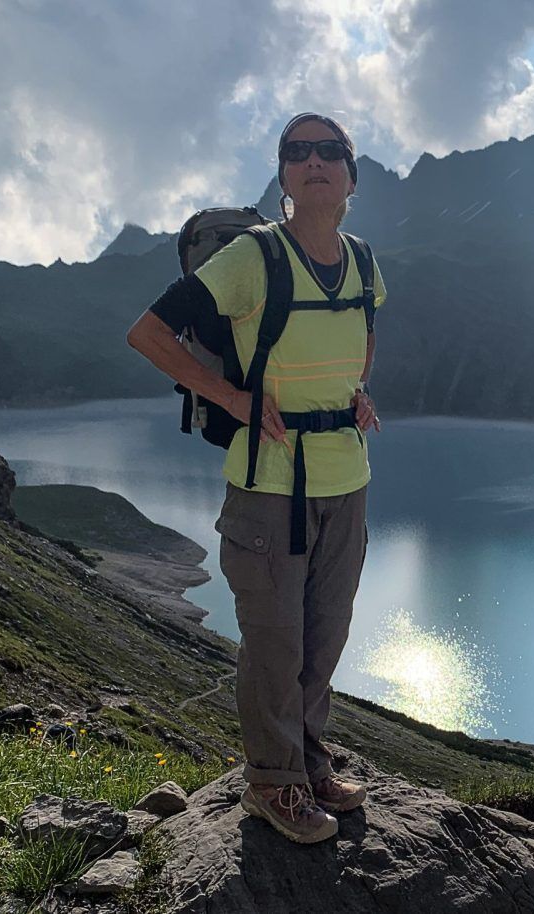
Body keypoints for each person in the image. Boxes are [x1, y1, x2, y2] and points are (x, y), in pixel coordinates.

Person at [126, 112, 387, 844]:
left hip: (346, 477)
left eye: (330, 151)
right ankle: (272, 783)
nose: (314, 161)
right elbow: (148, 333)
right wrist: (231, 398)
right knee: (275, 642)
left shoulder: (363, 261)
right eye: (298, 151)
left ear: (351, 177)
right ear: (283, 177)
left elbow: (363, 335)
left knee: (325, 636)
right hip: (268, 483)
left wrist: (355, 392)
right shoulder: (254, 256)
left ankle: (309, 763)